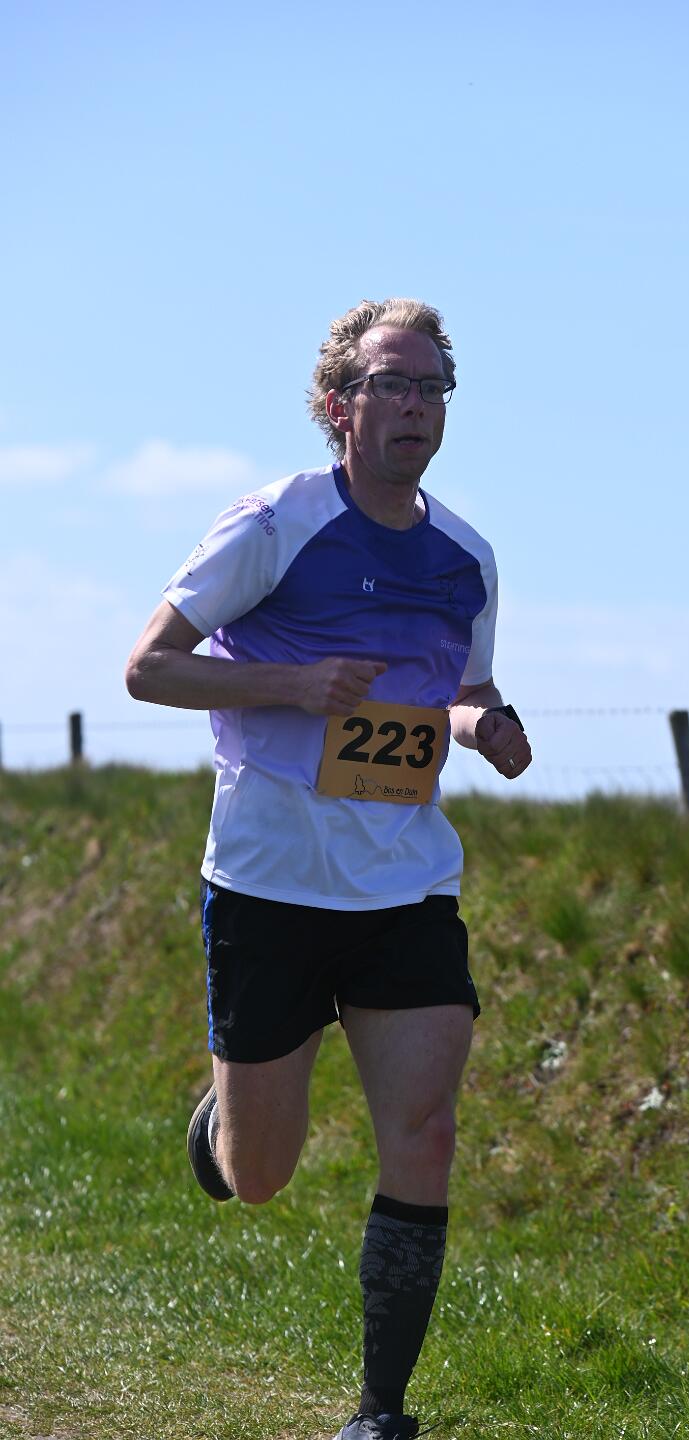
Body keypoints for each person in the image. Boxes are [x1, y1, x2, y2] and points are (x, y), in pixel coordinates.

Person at [125, 298, 532, 1440]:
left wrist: (485, 727)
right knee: (260, 1175)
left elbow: (460, 688)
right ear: (336, 405)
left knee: (426, 1133)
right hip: (270, 882)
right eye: (391, 384)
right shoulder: (273, 524)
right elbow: (149, 669)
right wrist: (292, 686)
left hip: (406, 881)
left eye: (433, 387)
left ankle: (379, 1413)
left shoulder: (466, 559)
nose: (415, 406)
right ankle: (224, 1123)